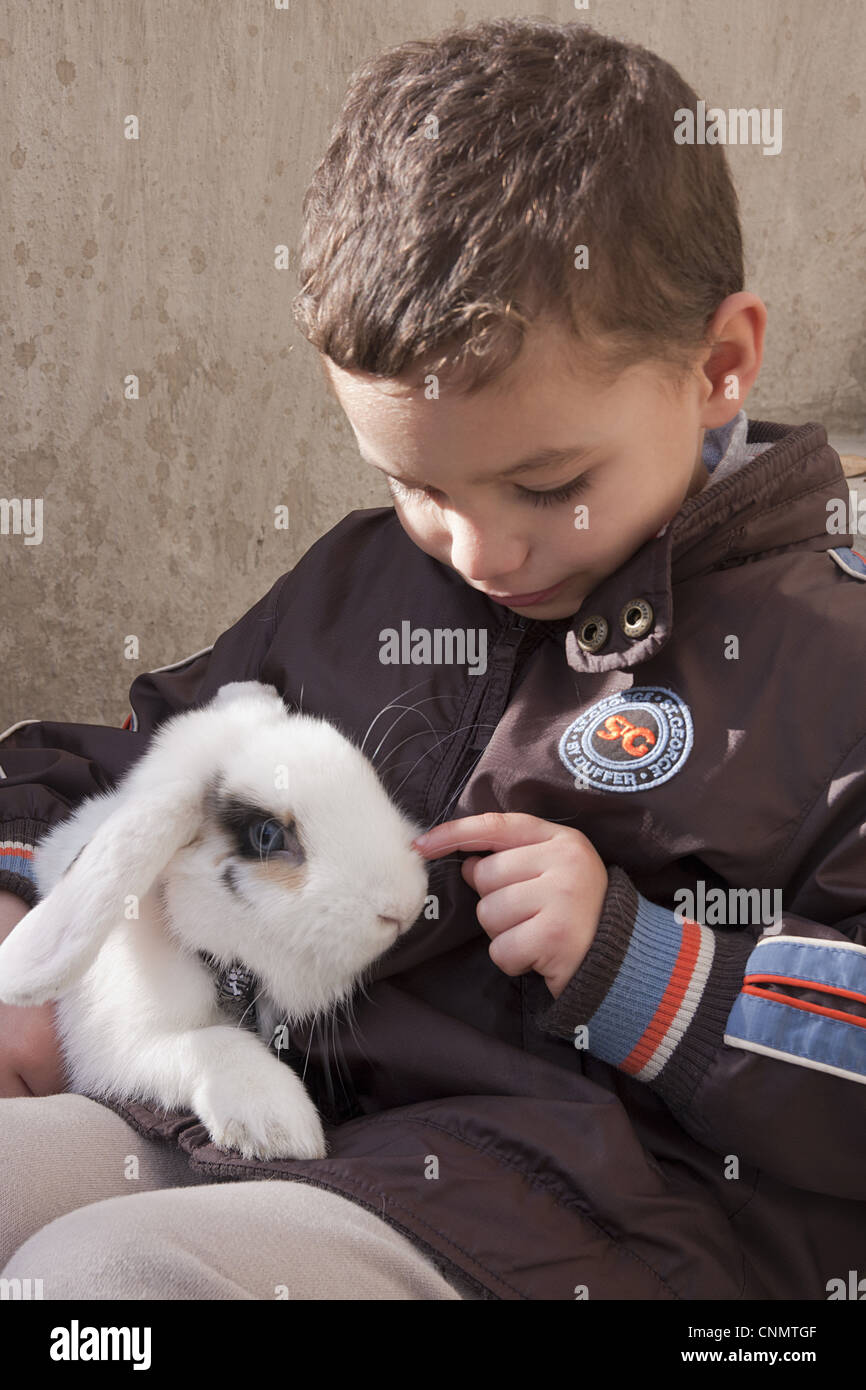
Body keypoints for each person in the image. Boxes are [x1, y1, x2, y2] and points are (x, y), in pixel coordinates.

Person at [1, 17, 864, 1301]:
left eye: (545, 482)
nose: (479, 547)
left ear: (719, 365)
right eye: (413, 484)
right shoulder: (361, 580)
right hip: (250, 1120)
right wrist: (24, 903)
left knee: (106, 1287)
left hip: (579, 1226)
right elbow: (147, 754)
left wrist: (642, 966)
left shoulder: (827, 659)